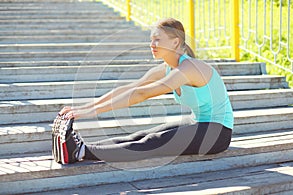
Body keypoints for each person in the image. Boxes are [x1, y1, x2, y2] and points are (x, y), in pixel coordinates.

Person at [59, 18, 234, 162]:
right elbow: (130, 88)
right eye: (151, 40)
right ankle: (80, 146)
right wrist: (81, 109)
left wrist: (89, 113)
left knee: (154, 142)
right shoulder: (166, 68)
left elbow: (142, 94)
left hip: (217, 133)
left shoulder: (189, 68)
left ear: (175, 42)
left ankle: (82, 152)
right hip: (198, 122)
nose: (152, 44)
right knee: (142, 135)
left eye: (157, 39)